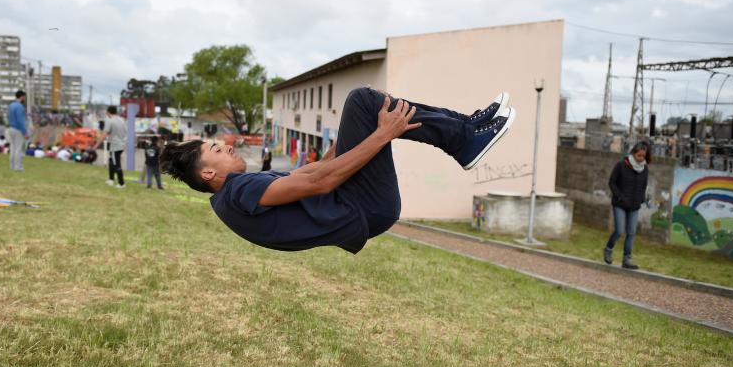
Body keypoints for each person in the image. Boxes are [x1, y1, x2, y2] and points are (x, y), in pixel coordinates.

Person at [160, 87, 513, 253]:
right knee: (364, 102)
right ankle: (464, 137)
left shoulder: (237, 193)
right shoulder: (238, 191)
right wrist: (381, 134)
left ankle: (464, 129)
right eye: (218, 150)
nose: (229, 147)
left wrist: (346, 139)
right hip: (363, 209)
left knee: (369, 105)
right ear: (208, 174)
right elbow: (320, 181)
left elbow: (309, 173)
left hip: (358, 208)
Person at [604, 141, 651, 269]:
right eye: (639, 156)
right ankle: (608, 249)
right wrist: (619, 196)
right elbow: (612, 182)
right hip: (620, 203)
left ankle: (627, 259)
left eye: (643, 156)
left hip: (634, 205)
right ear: (633, 154)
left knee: (631, 232)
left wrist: (642, 198)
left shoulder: (645, 169)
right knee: (619, 230)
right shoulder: (621, 165)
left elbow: (644, 186)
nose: (641, 159)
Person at [98, 105, 127, 188]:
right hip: (121, 144)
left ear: (108, 112)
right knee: (111, 161)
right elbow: (124, 131)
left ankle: (121, 183)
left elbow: (105, 133)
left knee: (116, 163)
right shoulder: (121, 120)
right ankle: (111, 179)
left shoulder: (110, 120)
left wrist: (96, 144)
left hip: (115, 145)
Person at [6, 90, 28, 171]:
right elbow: (20, 121)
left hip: (11, 128)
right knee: (19, 149)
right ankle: (18, 167)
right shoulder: (20, 107)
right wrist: (25, 132)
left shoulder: (11, 105)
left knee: (13, 148)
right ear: (21, 96)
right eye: (24, 97)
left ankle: (12, 166)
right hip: (18, 129)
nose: (25, 99)